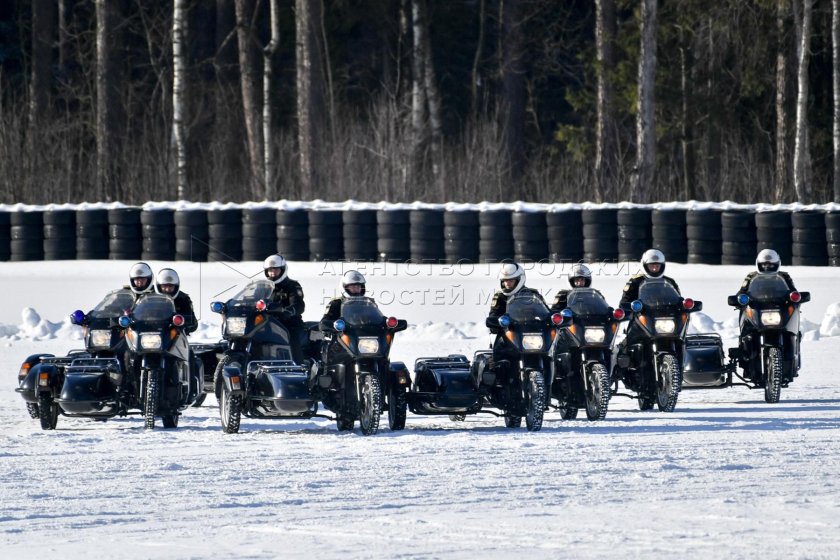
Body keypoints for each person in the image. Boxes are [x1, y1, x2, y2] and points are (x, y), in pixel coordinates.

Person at [263, 254, 306, 363]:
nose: (272, 273)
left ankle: (299, 367)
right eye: (270, 270)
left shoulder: (292, 286)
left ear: (282, 270)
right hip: (267, 322)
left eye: (276, 270)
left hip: (289, 322)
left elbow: (299, 305)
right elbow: (252, 300)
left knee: (292, 337)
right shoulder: (264, 287)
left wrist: (289, 311)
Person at [487, 262, 547, 328]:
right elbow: (493, 315)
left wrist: (553, 318)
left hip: (531, 331)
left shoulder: (533, 294)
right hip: (508, 331)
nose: (507, 284)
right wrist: (498, 321)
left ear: (520, 279)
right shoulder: (500, 296)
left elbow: (545, 313)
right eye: (505, 280)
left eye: (511, 280)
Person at [155, 268, 198, 334]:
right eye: (164, 286)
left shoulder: (183, 299)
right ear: (159, 286)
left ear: (176, 286)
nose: (167, 289)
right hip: (152, 334)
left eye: (170, 286)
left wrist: (181, 321)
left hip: (176, 335)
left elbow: (193, 323)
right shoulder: (149, 298)